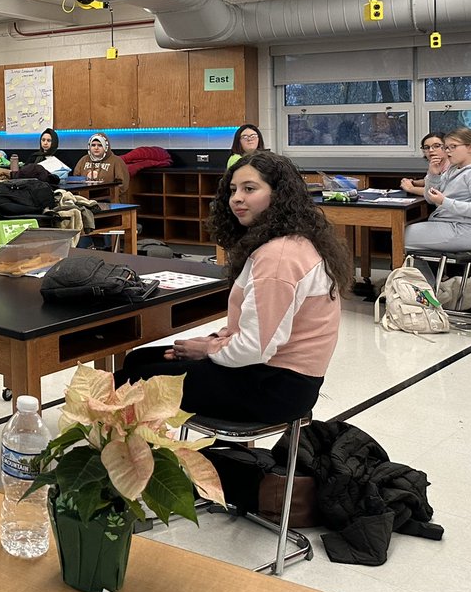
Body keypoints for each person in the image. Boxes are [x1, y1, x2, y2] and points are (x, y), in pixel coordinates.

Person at [115, 151, 352, 423]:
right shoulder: (290, 241)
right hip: (278, 377)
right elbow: (257, 333)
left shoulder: (279, 257)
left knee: (134, 378)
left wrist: (207, 350)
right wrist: (213, 342)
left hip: (273, 387)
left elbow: (255, 348)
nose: (236, 198)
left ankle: (128, 458)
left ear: (279, 195)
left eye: (249, 189)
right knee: (139, 360)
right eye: (233, 190)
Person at [404, 127, 471, 262]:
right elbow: (430, 199)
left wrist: (444, 202)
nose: (448, 152)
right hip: (448, 224)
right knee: (403, 233)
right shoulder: (454, 169)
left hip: (464, 229)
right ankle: (427, 280)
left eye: (453, 147)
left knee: (401, 236)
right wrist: (433, 175)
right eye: (446, 148)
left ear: (470, 147)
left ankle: (421, 281)